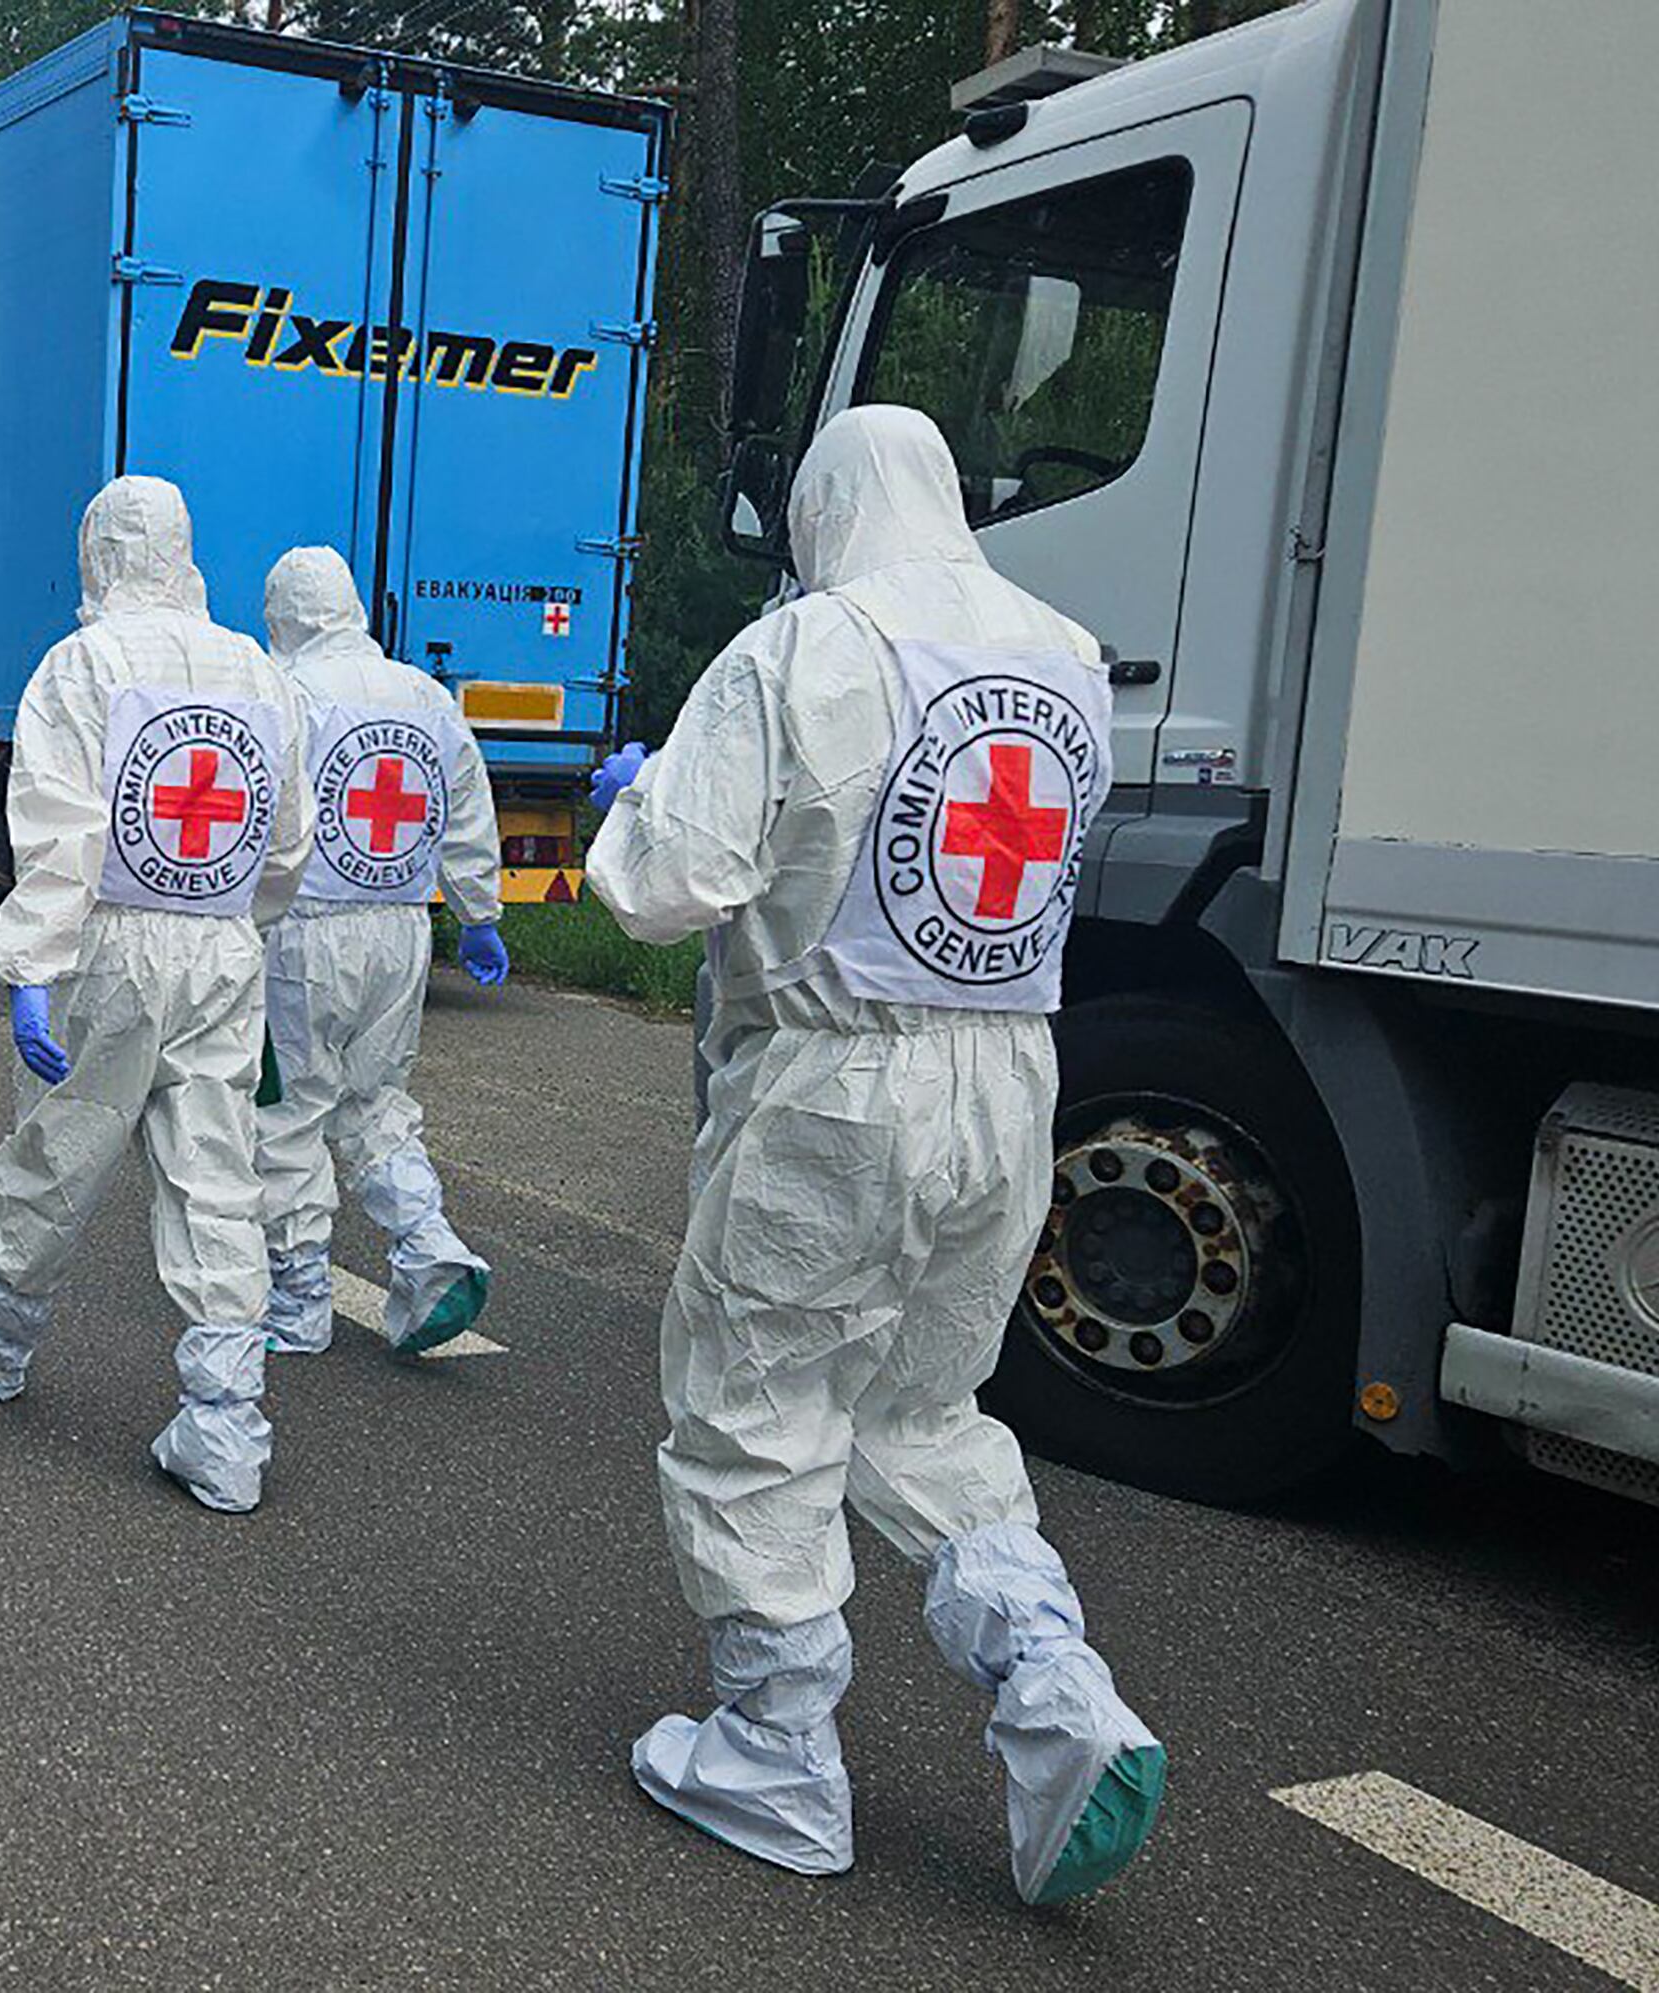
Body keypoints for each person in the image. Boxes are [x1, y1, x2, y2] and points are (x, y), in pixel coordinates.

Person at [585, 406, 1162, 1906]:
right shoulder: (1064, 655)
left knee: (758, 1403)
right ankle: (1057, 1690)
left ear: (823, 510)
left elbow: (660, 888)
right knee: (923, 1408)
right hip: (1008, 1082)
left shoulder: (802, 649)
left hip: (838, 1087)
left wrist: (639, 794)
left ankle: (774, 1747)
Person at [0, 476, 313, 1514]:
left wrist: (31, 968)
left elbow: (58, 836)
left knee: (64, 1144)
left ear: (96, 551)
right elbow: (286, 842)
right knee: (218, 1174)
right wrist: (233, 923)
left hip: (110, 946)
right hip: (221, 950)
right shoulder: (260, 672)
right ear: (185, 551)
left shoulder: (82, 665)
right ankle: (225, 1422)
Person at [250, 546, 508, 1358]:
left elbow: (259, 810)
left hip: (304, 935)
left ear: (282, 614)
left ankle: (297, 1298)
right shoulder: (423, 694)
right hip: (401, 931)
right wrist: (478, 913)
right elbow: (466, 804)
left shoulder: (283, 691)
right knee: (374, 1103)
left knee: (287, 1113)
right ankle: (428, 1245)